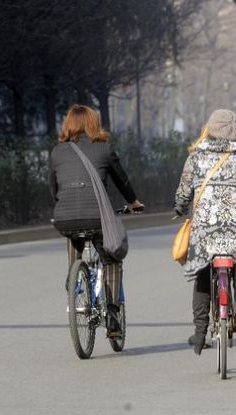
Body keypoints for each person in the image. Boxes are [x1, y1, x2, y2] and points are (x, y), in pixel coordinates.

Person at [174, 109, 236, 355]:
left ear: (211, 128)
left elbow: (184, 192)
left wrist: (180, 207)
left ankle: (199, 333)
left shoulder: (195, 158)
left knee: (203, 273)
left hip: (205, 226)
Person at [49, 105, 144, 337]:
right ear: (94, 124)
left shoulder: (57, 152)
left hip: (65, 218)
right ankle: (112, 315)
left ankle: (73, 279)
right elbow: (122, 180)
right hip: (97, 217)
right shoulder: (104, 149)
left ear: (68, 125)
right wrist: (133, 202)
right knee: (111, 259)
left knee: (74, 234)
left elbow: (53, 188)